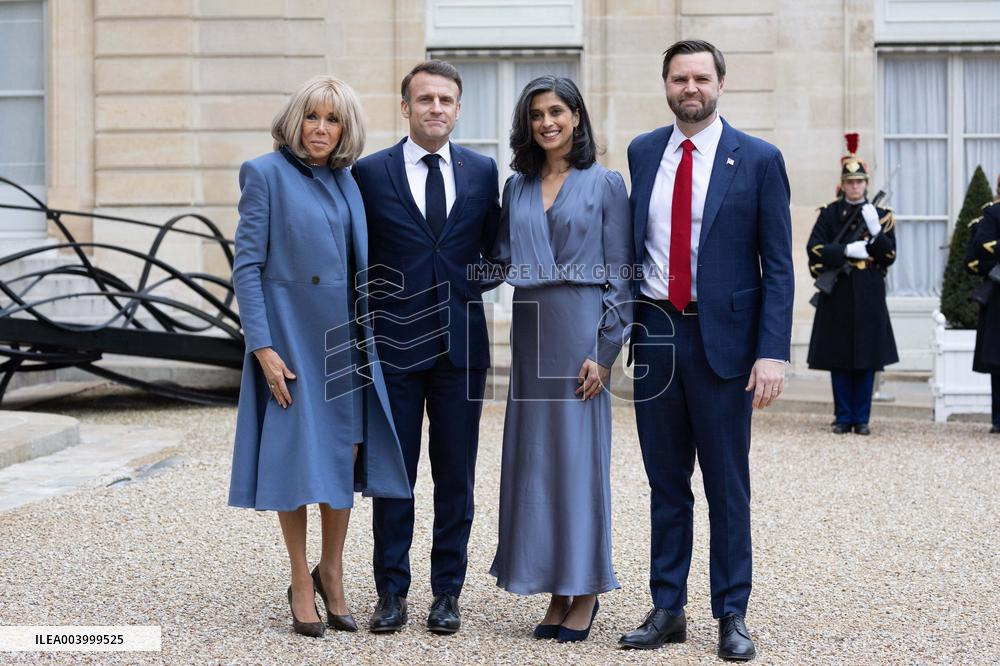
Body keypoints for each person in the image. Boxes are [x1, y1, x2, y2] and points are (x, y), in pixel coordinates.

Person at [620, 40, 794, 661]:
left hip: (725, 345)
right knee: (666, 483)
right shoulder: (644, 152)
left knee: (726, 486)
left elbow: (779, 266)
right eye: (679, 78)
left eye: (700, 78)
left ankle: (731, 613)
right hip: (657, 336)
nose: (689, 88)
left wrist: (772, 352)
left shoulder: (760, 159)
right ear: (666, 85)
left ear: (721, 83)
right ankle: (667, 607)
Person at [228, 76, 410, 638]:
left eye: (333, 119)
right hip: (291, 338)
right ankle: (298, 578)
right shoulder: (264, 174)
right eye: (312, 116)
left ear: (345, 128)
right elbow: (247, 267)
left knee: (344, 451)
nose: (321, 129)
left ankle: (331, 570)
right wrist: (262, 347)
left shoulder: (348, 179)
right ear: (295, 120)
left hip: (346, 341)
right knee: (295, 455)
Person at [352, 60, 501, 635]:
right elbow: (355, 255)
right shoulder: (370, 173)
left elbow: (497, 253)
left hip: (461, 349)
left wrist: (464, 285)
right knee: (395, 475)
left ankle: (447, 593)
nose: (435, 108)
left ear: (458, 109)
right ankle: (391, 591)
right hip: (393, 349)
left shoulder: (482, 171)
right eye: (424, 99)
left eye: (445, 100)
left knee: (456, 477)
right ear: (405, 107)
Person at [487, 76, 632, 643]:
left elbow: (621, 273)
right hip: (530, 330)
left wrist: (605, 350)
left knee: (578, 461)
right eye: (536, 115)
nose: (546, 122)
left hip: (580, 334)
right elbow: (498, 258)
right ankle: (554, 587)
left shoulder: (606, 183)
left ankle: (585, 587)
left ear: (576, 117)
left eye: (556, 112)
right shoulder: (517, 187)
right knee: (536, 461)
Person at [806, 134, 898, 435]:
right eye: (850, 182)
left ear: (866, 184)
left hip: (869, 287)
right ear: (843, 184)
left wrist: (876, 232)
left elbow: (889, 256)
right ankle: (843, 416)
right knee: (840, 354)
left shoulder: (881, 216)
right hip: (840, 289)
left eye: (859, 182)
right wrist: (845, 250)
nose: (855, 187)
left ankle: (862, 417)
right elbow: (815, 249)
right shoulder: (830, 213)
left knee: (867, 356)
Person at [965, 182, 1000, 434]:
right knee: (999, 363)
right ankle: (999, 418)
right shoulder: (993, 213)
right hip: (998, 298)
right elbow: (980, 248)